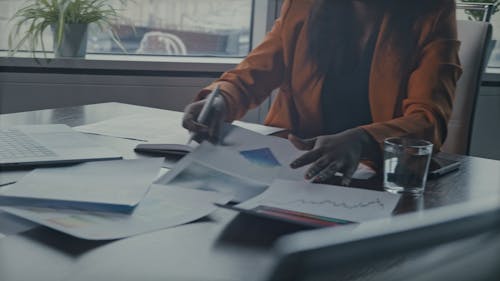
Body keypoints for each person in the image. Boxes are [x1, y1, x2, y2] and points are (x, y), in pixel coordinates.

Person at [182, 0, 462, 185]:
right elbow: (253, 73)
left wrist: (362, 139)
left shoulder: (432, 10)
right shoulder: (303, 6)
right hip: (291, 172)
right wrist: (220, 98)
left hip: (375, 180)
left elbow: (428, 120)